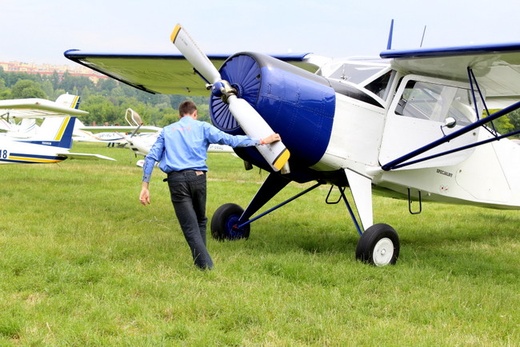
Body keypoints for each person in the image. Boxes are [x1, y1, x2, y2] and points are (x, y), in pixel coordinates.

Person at [139, 100, 281, 270]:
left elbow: (151, 157)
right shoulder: (203, 127)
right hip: (198, 177)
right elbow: (231, 140)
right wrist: (262, 140)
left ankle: (206, 267)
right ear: (195, 114)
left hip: (176, 181)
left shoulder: (167, 131)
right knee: (200, 221)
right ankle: (202, 265)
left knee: (189, 226)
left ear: (179, 115)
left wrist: (145, 186)